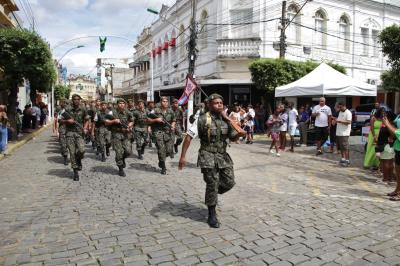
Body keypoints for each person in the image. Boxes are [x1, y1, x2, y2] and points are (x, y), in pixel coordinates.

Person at [179, 94, 239, 228]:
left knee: (229, 182)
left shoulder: (226, 120)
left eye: (221, 103)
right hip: (207, 155)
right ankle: (212, 213)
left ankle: (211, 195)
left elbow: (234, 138)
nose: (220, 105)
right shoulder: (201, 120)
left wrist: (235, 126)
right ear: (209, 105)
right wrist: (183, 157)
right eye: (216, 103)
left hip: (222, 156)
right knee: (212, 183)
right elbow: (188, 137)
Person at [60, 94, 90, 181]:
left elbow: (87, 120)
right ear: (72, 100)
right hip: (69, 133)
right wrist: (67, 121)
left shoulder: (83, 109)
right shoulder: (67, 109)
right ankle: (75, 171)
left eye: (78, 99)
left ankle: (79, 159)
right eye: (74, 99)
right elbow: (60, 120)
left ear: (80, 100)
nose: (76, 101)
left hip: (80, 133)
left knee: (81, 150)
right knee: (72, 153)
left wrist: (85, 128)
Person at [146, 97, 176, 175]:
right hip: (158, 132)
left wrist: (173, 126)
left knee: (169, 151)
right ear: (160, 102)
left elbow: (174, 120)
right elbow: (148, 119)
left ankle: (161, 159)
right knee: (161, 149)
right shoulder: (155, 110)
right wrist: (156, 120)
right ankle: (163, 166)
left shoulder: (170, 111)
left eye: (166, 101)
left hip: (168, 132)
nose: (165, 103)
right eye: (163, 101)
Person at [104, 99, 134, 177]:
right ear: (117, 104)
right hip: (116, 134)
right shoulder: (112, 112)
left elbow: (132, 120)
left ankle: (123, 158)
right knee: (118, 152)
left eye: (123, 103)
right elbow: (106, 121)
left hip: (126, 134)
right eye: (120, 103)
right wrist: (114, 121)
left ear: (125, 104)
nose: (121, 105)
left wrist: (130, 125)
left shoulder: (127, 112)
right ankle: (120, 168)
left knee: (128, 151)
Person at [382, 116, 400, 200]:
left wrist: (387, 124)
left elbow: (397, 132)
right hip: (398, 148)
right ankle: (397, 190)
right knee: (398, 173)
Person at [334, 102, 352, 166]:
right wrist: (335, 120)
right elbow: (338, 120)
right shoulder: (340, 112)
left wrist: (339, 121)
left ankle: (347, 161)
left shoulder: (348, 112)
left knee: (345, 147)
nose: (339, 108)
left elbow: (349, 122)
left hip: (345, 133)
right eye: (339, 107)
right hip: (339, 132)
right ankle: (343, 159)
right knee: (341, 147)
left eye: (340, 107)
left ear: (344, 106)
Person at [56, 100, 69, 165]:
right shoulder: (61, 112)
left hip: (71, 130)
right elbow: (58, 120)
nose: (64, 104)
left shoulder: (71, 110)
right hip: (63, 129)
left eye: (65, 103)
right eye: (63, 103)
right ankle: (65, 157)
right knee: (63, 145)